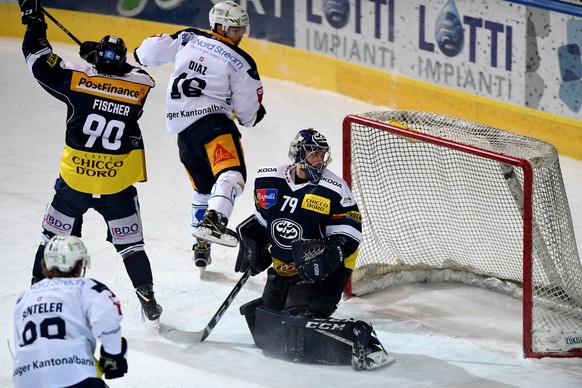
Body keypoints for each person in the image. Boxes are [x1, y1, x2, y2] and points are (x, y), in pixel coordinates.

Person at [18, 0, 163, 320]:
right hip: (116, 182)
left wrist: (34, 23)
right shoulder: (140, 86)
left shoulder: (75, 80)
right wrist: (97, 58)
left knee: (51, 238)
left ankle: (36, 290)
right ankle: (148, 300)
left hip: (76, 180)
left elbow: (38, 59)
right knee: (132, 247)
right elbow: (130, 74)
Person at [235, 129, 393, 370]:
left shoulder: (334, 189)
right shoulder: (268, 180)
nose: (319, 161)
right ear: (298, 154)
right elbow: (263, 222)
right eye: (313, 154)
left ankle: (359, 335)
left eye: (321, 155)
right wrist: (252, 243)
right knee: (269, 333)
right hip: (285, 269)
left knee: (298, 317)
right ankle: (287, 300)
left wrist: (331, 257)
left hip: (324, 270)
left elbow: (349, 234)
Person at [134, 1, 266, 270]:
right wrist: (253, 116)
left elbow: (145, 53)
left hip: (184, 134)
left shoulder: (188, 38)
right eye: (237, 29)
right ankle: (214, 221)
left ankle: (200, 243)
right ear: (222, 27)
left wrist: (137, 53)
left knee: (203, 189)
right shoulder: (240, 61)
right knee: (232, 175)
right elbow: (248, 112)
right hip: (214, 127)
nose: (241, 35)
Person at [13, 235, 128, 387]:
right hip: (74, 375)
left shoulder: (24, 297)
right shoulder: (86, 288)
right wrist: (112, 358)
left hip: (26, 378)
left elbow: (19, 343)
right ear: (78, 264)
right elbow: (108, 322)